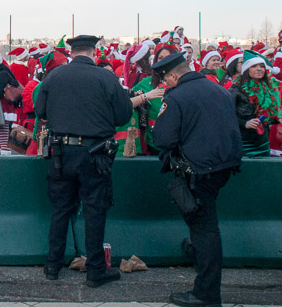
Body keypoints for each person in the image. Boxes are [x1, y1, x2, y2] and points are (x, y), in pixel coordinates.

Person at [34, 35, 132, 287]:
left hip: (61, 153)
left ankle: (52, 265)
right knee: (94, 211)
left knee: (61, 209)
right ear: (94, 52)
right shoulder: (106, 77)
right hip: (94, 154)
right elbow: (122, 115)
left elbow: (41, 111)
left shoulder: (54, 76)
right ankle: (96, 270)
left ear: (72, 52)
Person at [151, 52, 243, 307]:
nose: (166, 84)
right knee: (204, 228)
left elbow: (163, 139)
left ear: (172, 75)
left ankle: (206, 294)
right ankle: (198, 256)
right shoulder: (218, 89)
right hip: (223, 167)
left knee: (205, 232)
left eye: (166, 79)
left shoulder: (176, 96)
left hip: (199, 172)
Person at [227, 50, 281, 158]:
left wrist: (276, 118)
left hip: (262, 143)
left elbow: (267, 117)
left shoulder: (268, 90)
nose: (259, 69)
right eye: (254, 66)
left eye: (262, 66)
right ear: (246, 69)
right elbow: (225, 115)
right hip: (243, 142)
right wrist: (245, 123)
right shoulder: (235, 90)